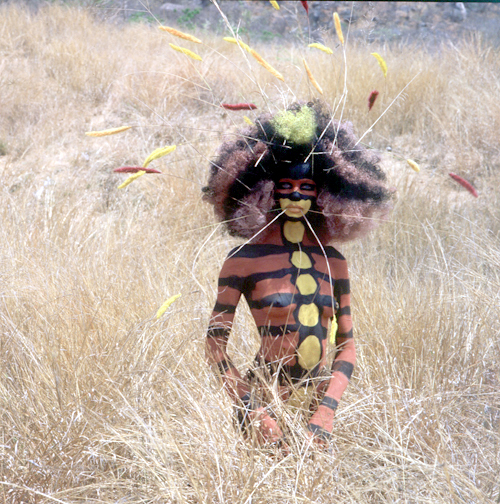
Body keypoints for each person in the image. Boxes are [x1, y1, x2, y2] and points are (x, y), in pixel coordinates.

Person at [203, 101, 393, 448]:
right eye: (285, 185)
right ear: (264, 190)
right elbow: (214, 346)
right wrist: (252, 409)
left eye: (306, 187)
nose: (294, 194)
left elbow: (347, 346)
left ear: (325, 193)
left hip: (317, 414)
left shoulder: (334, 262)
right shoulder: (243, 261)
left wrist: (326, 411)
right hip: (264, 406)